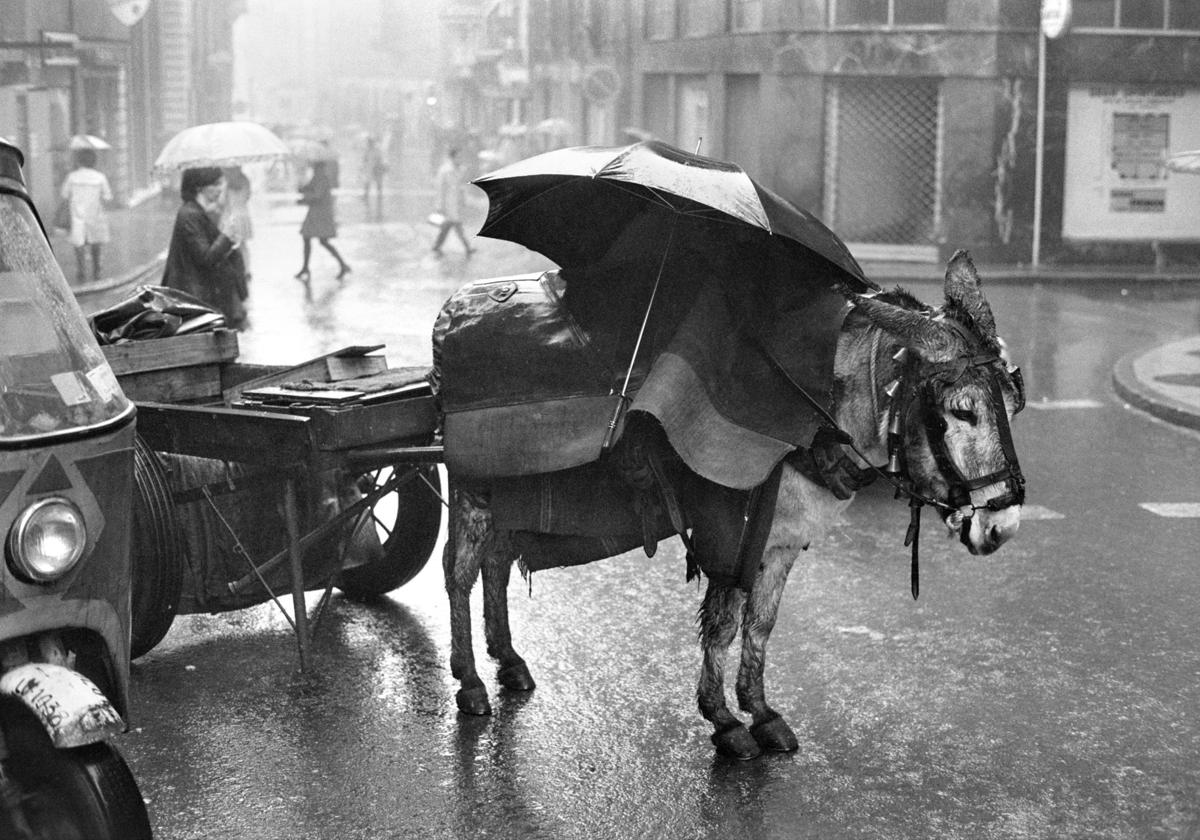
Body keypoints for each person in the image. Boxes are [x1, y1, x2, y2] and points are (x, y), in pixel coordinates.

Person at [162, 166, 248, 329]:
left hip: (196, 295)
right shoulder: (190, 215)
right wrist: (226, 236)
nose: (219, 189)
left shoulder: (197, 212)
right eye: (214, 185)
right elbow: (206, 258)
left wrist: (227, 240)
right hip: (192, 296)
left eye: (220, 184)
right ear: (199, 187)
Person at [59, 148, 112, 283]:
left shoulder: (72, 177)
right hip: (95, 214)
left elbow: (64, 195)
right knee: (95, 243)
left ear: (79, 161)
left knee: (79, 244)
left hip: (77, 215)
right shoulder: (100, 177)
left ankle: (81, 271)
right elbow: (107, 197)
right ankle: (97, 270)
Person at [296, 159, 350, 279]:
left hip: (320, 215)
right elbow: (309, 188)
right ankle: (306, 267)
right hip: (315, 214)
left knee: (322, 241)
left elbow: (317, 196)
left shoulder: (323, 179)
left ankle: (342, 264)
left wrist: (305, 199)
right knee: (309, 239)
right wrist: (302, 188)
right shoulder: (317, 177)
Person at [432, 147, 474, 257]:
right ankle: (467, 247)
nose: (460, 159)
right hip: (448, 203)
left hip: (456, 203)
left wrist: (463, 200)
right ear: (452, 157)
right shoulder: (444, 170)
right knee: (456, 224)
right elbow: (440, 189)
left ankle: (437, 246)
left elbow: (461, 186)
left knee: (447, 226)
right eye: (458, 157)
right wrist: (439, 205)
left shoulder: (459, 169)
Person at [220, 166, 254, 277]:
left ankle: (232, 269)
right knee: (243, 245)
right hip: (244, 214)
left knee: (229, 245)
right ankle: (247, 269)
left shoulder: (227, 182)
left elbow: (222, 201)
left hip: (230, 216)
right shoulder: (245, 180)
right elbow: (248, 196)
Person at [361, 136, 387, 210]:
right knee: (368, 182)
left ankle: (379, 195)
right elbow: (364, 159)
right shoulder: (368, 150)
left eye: (369, 143)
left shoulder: (376, 150)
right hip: (369, 168)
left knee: (377, 182)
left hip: (375, 168)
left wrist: (377, 166)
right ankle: (366, 195)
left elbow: (380, 159)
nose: (369, 144)